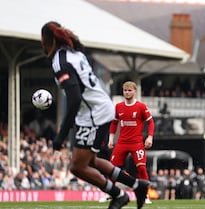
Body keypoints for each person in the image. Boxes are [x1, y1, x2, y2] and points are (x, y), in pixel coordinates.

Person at [41, 21, 149, 209]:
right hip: (100, 108)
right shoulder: (76, 54)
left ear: (48, 40)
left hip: (93, 114)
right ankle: (137, 185)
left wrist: (61, 135)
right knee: (91, 161)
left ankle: (118, 195)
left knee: (77, 167)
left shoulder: (60, 62)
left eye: (42, 40)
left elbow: (74, 99)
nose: (41, 45)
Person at [107, 81, 154, 204]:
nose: (127, 93)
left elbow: (150, 122)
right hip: (122, 142)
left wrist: (149, 137)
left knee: (142, 168)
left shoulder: (141, 107)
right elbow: (114, 123)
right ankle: (112, 193)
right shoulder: (118, 107)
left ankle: (145, 195)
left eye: (129, 90)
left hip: (137, 143)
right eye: (125, 90)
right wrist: (111, 138)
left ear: (134, 91)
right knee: (112, 169)